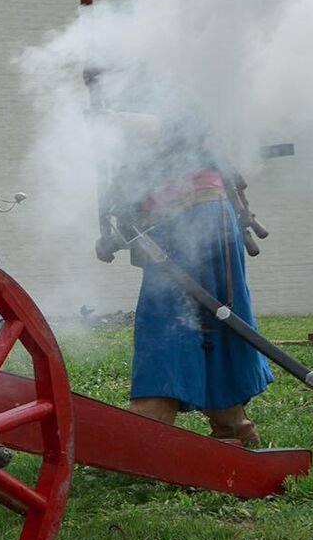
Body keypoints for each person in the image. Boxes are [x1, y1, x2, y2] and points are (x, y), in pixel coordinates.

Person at [99, 109, 270, 445]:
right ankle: (233, 429)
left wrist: (111, 118)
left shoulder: (167, 84)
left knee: (183, 324)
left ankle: (152, 435)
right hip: (171, 223)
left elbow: (177, 125)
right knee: (189, 322)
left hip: (200, 215)